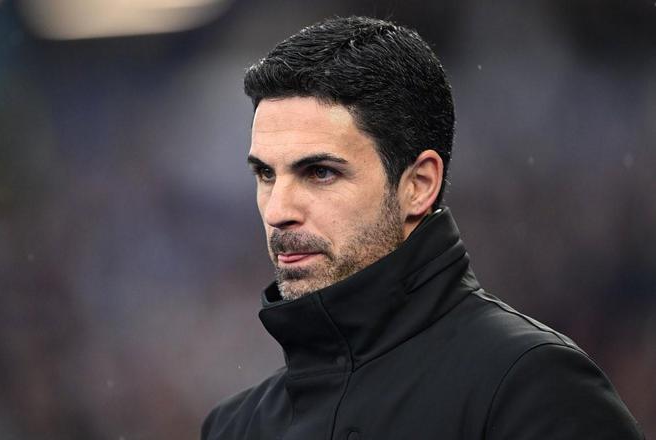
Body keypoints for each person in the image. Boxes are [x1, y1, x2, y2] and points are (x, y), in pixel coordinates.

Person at [201, 16, 644, 440]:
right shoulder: (234, 427)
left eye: (320, 172)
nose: (278, 210)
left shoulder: (532, 389)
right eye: (266, 174)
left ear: (419, 185)